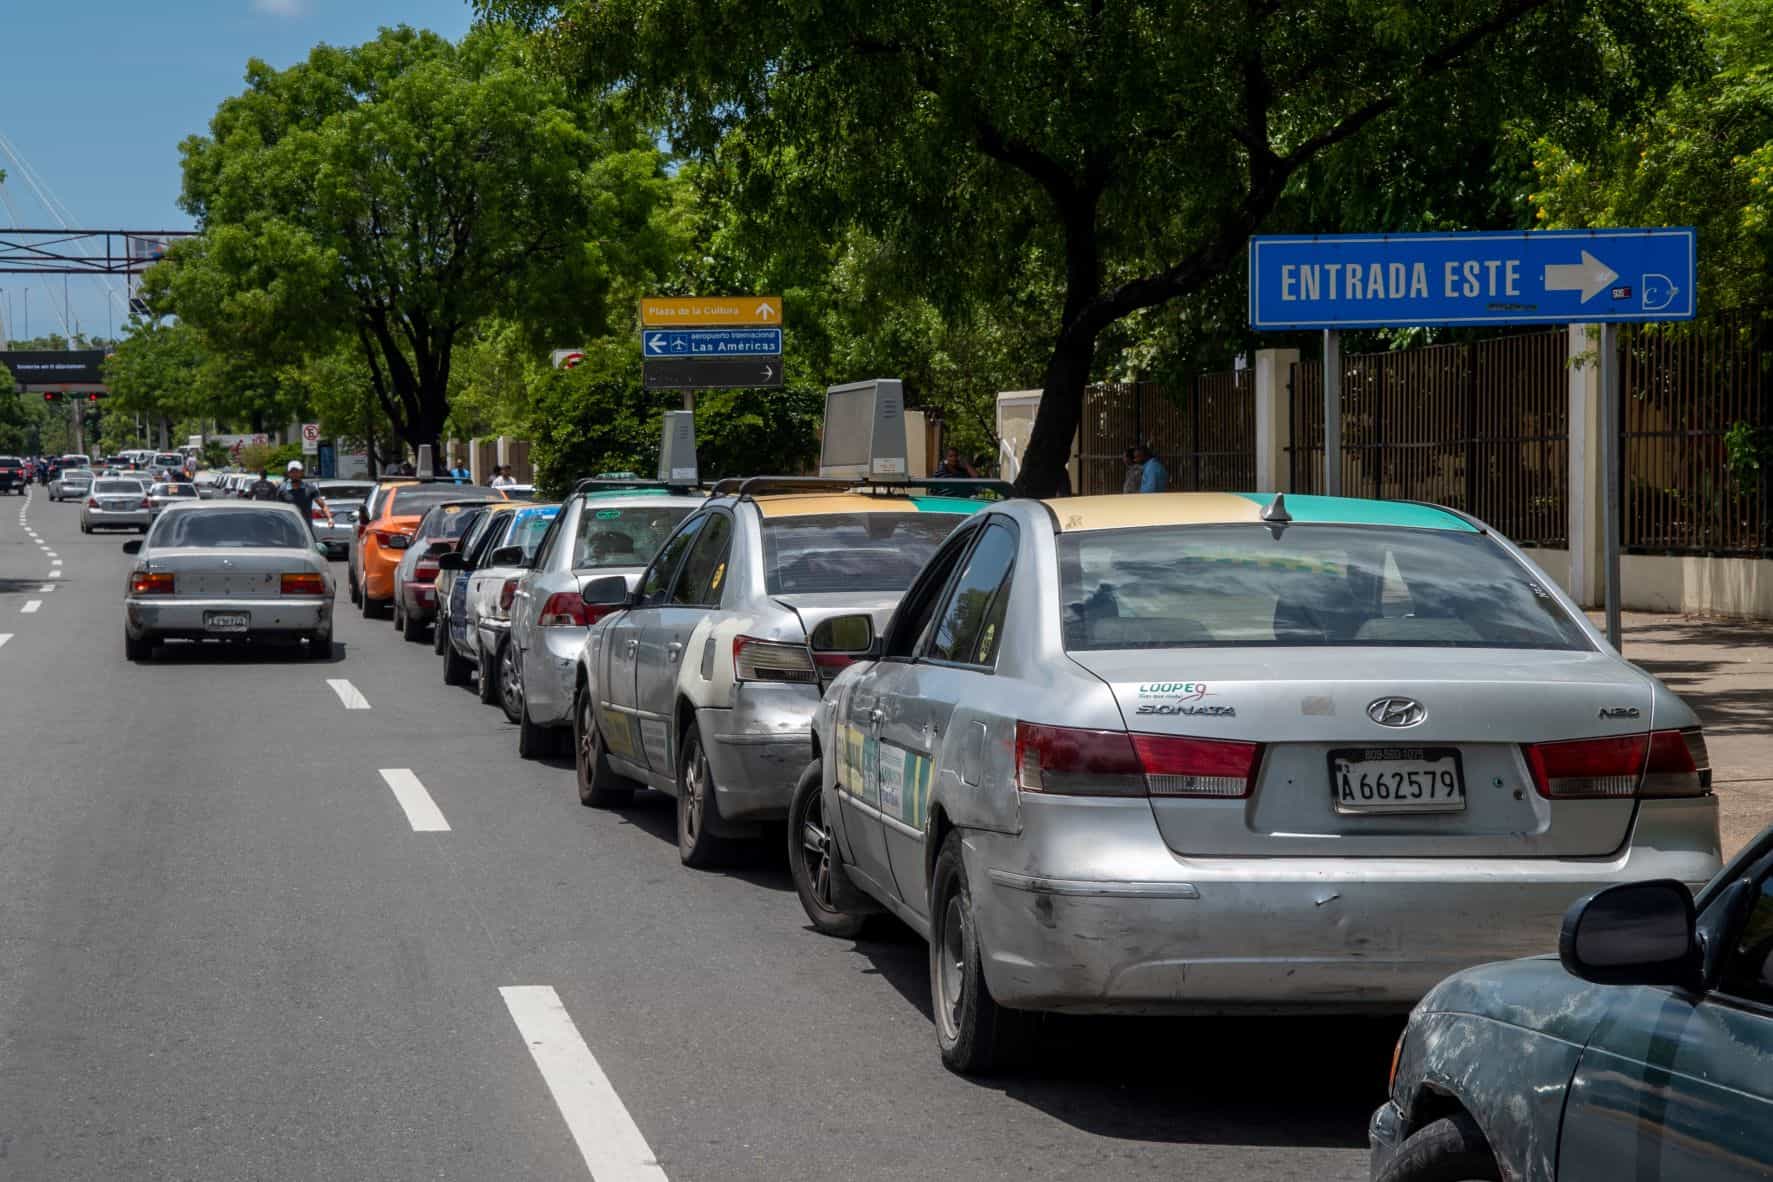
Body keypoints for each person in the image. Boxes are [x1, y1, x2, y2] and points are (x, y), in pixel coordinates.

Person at [279, 460, 333, 530]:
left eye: (297, 471)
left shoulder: (310, 488)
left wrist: (330, 518)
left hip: (306, 528)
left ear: (301, 472)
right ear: (288, 473)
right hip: (288, 528)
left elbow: (323, 506)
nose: (294, 474)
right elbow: (278, 509)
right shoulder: (282, 489)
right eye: (292, 472)